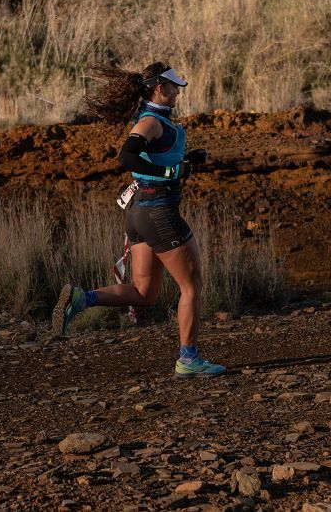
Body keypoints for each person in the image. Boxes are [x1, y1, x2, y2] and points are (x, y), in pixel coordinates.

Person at [51, 62, 226, 378]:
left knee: (146, 294)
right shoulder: (150, 122)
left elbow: (150, 160)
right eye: (174, 87)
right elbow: (127, 158)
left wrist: (184, 162)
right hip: (158, 212)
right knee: (192, 287)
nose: (178, 92)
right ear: (160, 87)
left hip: (140, 213)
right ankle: (188, 359)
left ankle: (81, 298)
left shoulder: (155, 121)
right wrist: (172, 172)